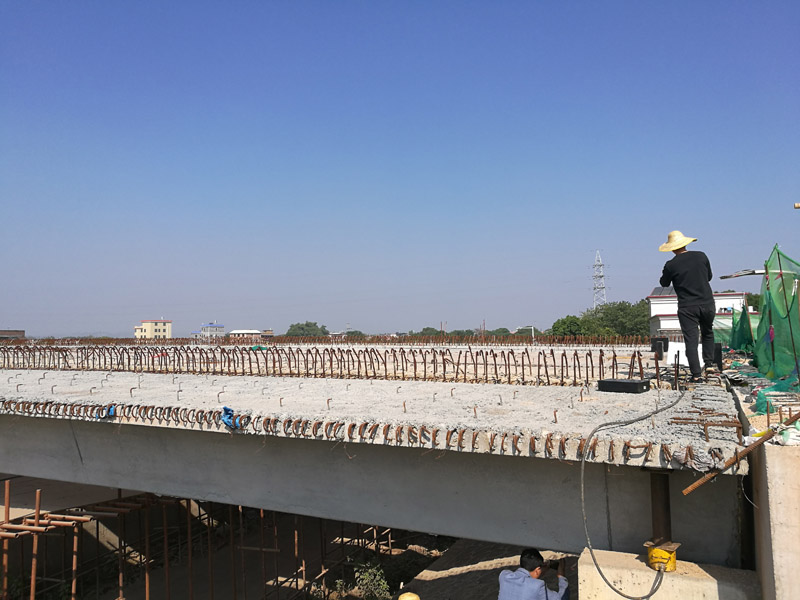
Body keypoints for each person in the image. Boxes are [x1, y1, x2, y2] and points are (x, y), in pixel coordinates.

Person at [658, 230, 716, 382]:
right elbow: (709, 277)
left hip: (687, 306)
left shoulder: (671, 265)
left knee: (691, 340)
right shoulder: (701, 256)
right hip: (707, 303)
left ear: (671, 248)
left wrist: (668, 272)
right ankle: (709, 365)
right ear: (685, 243)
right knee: (708, 332)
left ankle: (696, 375)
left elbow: (664, 283)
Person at [498, 548, 569, 600]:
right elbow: (562, 598)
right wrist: (561, 575)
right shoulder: (538, 585)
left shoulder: (504, 576)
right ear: (537, 570)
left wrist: (541, 569)